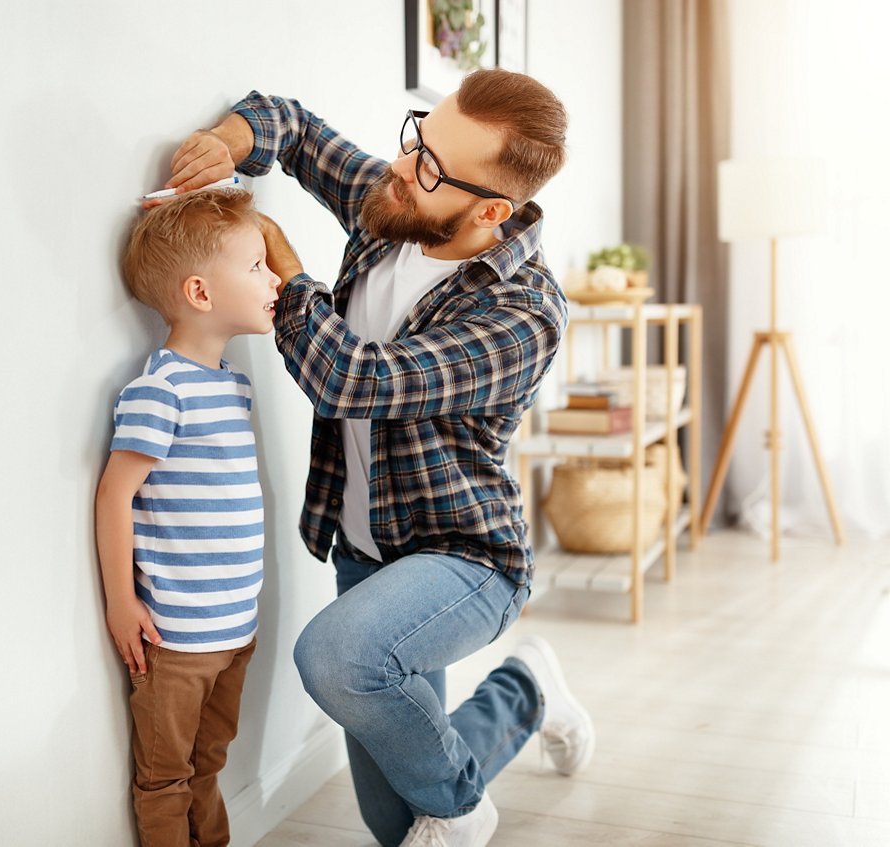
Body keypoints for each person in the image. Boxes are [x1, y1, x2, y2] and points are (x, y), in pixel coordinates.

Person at [154, 69, 595, 847]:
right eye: (417, 135)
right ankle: (527, 690)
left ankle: (466, 810)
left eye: (429, 164)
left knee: (334, 656)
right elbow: (292, 127)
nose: (402, 164)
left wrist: (286, 268)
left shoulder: (523, 314)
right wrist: (226, 142)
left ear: (491, 209)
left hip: (465, 557)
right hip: (366, 550)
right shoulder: (406, 200)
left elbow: (355, 379)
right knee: (395, 820)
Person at [94, 187, 280, 847]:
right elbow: (117, 494)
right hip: (175, 639)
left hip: (235, 628)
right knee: (166, 776)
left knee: (211, 761)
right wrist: (122, 601)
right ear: (200, 292)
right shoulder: (160, 390)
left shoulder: (233, 384)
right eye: (256, 265)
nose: (276, 278)